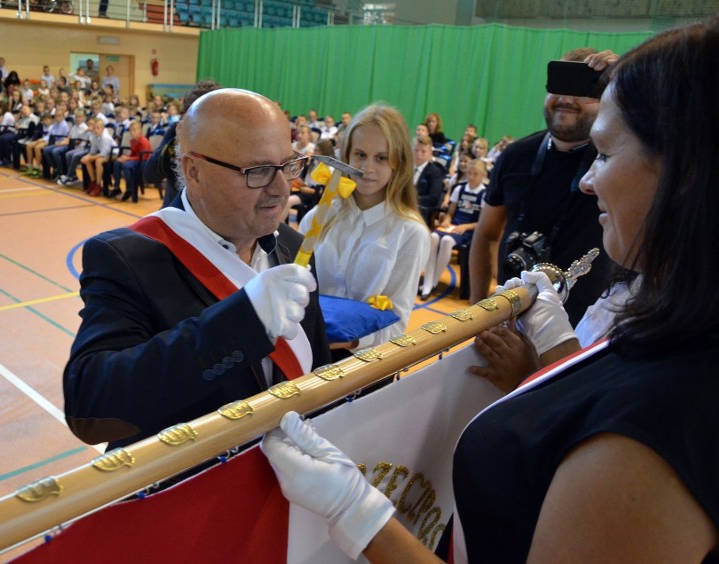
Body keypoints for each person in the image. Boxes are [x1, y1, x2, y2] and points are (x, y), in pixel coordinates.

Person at [261, 18, 719, 563]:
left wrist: (359, 515)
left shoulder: (658, 422)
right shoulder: (658, 321)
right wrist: (550, 359)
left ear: (686, 171)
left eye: (604, 153)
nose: (587, 180)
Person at [63, 88, 332, 451]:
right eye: (259, 170)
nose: (282, 188)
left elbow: (316, 371)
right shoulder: (128, 257)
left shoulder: (294, 248)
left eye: (288, 165)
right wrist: (242, 321)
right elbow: (91, 406)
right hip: (191, 488)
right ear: (194, 171)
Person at [469, 48, 617, 326]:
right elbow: (486, 234)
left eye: (581, 89)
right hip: (511, 320)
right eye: (558, 86)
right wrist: (478, 314)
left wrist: (628, 82)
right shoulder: (515, 155)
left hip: (583, 327)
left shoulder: (621, 159)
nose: (566, 99)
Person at [298, 104, 429, 354]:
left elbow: (397, 322)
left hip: (364, 363)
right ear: (346, 155)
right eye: (360, 154)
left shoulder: (410, 233)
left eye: (381, 158)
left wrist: (350, 342)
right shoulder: (318, 218)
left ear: (398, 162)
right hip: (305, 350)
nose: (368, 167)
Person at [144, 79, 221, 207]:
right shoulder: (176, 131)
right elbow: (150, 175)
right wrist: (176, 143)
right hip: (174, 214)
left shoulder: (224, 139)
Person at [419, 158, 487, 301]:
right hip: (454, 225)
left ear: (483, 175)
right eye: (469, 173)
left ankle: (432, 282)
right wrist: (447, 220)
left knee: (447, 241)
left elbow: (482, 222)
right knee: (433, 237)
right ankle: (428, 282)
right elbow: (450, 212)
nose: (472, 177)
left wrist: (466, 226)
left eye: (476, 174)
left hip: (468, 229)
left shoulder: (484, 194)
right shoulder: (459, 188)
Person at [412, 135, 446, 228]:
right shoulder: (406, 169)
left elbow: (433, 198)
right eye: (416, 150)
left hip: (420, 209)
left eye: (423, 151)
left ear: (430, 153)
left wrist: (411, 200)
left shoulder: (435, 172)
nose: (419, 154)